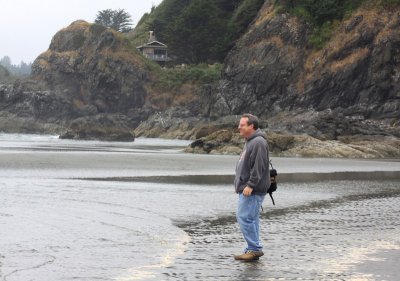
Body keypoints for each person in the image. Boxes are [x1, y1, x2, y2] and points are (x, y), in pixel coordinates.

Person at [234, 113, 270, 261]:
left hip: (252, 189)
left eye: (242, 125)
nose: (239, 127)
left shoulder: (258, 142)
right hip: (249, 188)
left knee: (244, 217)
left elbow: (259, 167)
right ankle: (253, 248)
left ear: (251, 126)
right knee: (251, 218)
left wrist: (250, 185)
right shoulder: (250, 141)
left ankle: (254, 248)